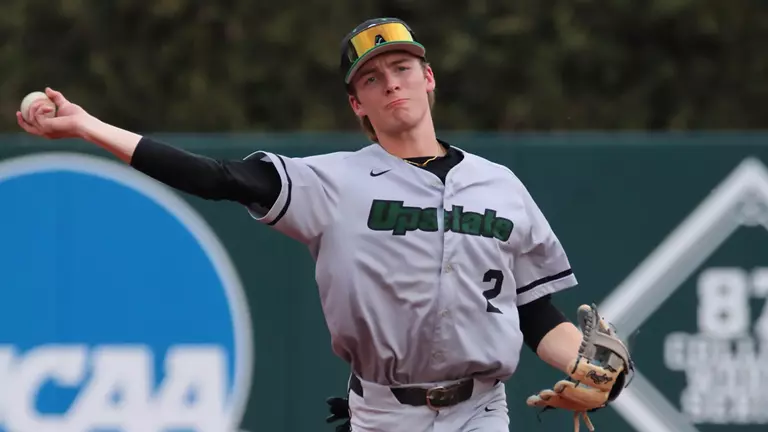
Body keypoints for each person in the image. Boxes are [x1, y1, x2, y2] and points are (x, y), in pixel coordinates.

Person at [16, 17, 628, 432]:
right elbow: (218, 178)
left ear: (428, 78)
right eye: (372, 78)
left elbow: (532, 314)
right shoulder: (331, 183)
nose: (392, 84)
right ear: (357, 104)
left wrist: (593, 370)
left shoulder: (501, 187)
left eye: (403, 69)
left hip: (482, 412)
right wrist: (88, 126)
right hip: (386, 414)